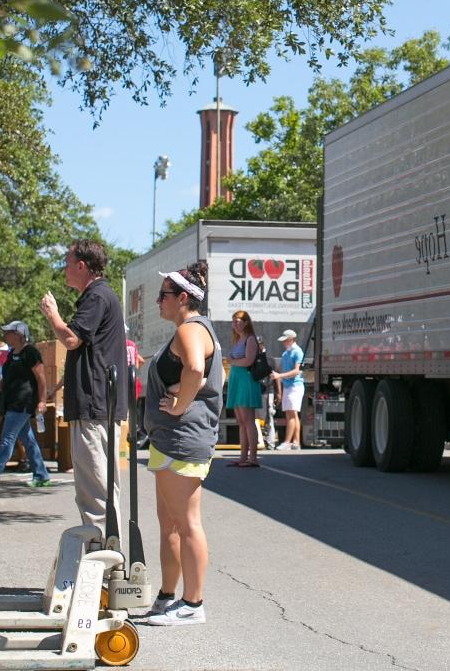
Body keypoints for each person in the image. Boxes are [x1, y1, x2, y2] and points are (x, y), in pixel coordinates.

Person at [143, 261, 222, 627]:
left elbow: (195, 370)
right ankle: (167, 596)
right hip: (168, 439)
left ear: (184, 298)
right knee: (170, 524)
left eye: (164, 295)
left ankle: (193, 603)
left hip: (182, 439)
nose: (159, 301)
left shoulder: (191, 329)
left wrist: (181, 402)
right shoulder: (189, 329)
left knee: (187, 523)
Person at [39, 239, 127, 538]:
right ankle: (106, 552)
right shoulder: (100, 296)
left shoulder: (97, 296)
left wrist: (52, 314)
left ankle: (101, 555)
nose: (64, 268)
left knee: (95, 487)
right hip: (98, 404)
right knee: (100, 484)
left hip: (94, 405)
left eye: (67, 262)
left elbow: (72, 339)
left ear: (82, 265)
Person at [0, 321, 50, 488]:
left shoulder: (31, 353)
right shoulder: (11, 354)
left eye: (8, 332)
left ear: (19, 334)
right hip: (11, 401)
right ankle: (42, 474)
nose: (5, 335)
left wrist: (42, 400)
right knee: (28, 440)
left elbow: (41, 378)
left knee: (7, 438)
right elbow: (7, 378)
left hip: (23, 402)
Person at [223, 311, 262, 468]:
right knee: (241, 421)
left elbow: (249, 361)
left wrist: (232, 361)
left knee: (248, 420)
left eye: (238, 321)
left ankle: (252, 458)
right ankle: (243, 457)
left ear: (246, 322)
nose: (235, 324)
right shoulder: (239, 339)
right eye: (233, 322)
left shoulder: (251, 339)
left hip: (246, 380)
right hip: (236, 380)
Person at [270, 329, 305, 450]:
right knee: (292, 414)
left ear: (291, 339)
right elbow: (282, 370)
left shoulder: (298, 352)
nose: (283, 342)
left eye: (285, 340)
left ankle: (287, 442)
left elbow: (297, 371)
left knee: (292, 413)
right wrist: (277, 374)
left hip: (295, 386)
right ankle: (296, 442)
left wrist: (280, 376)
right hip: (288, 386)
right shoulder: (285, 354)